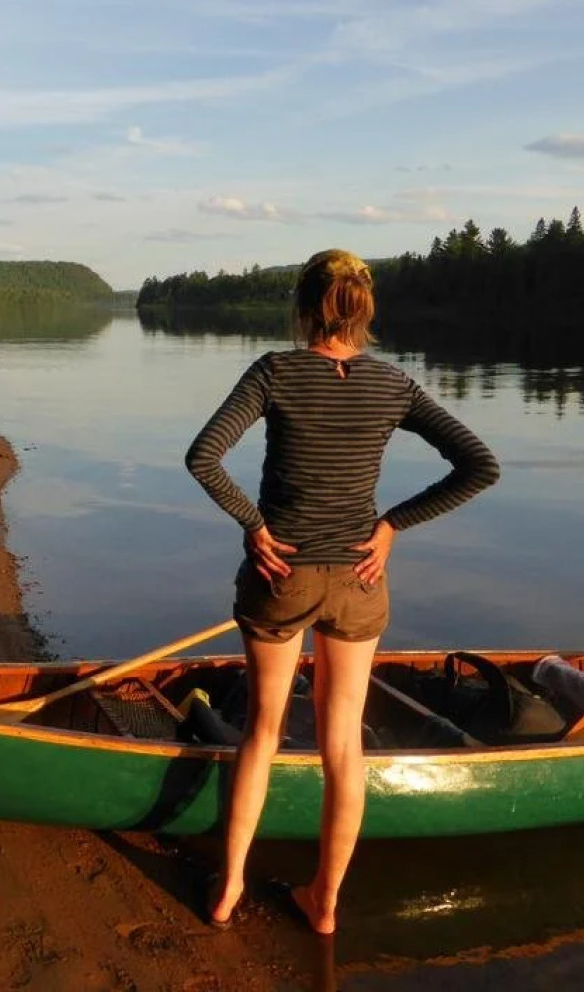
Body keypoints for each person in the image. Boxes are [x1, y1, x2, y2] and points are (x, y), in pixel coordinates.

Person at [185, 248, 499, 935]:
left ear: (303, 308)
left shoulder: (275, 371)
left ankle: (230, 886)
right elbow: (480, 465)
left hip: (282, 575)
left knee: (263, 731)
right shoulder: (394, 385)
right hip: (360, 580)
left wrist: (254, 525)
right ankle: (325, 900)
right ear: (365, 311)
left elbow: (203, 457)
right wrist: (392, 528)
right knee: (342, 742)